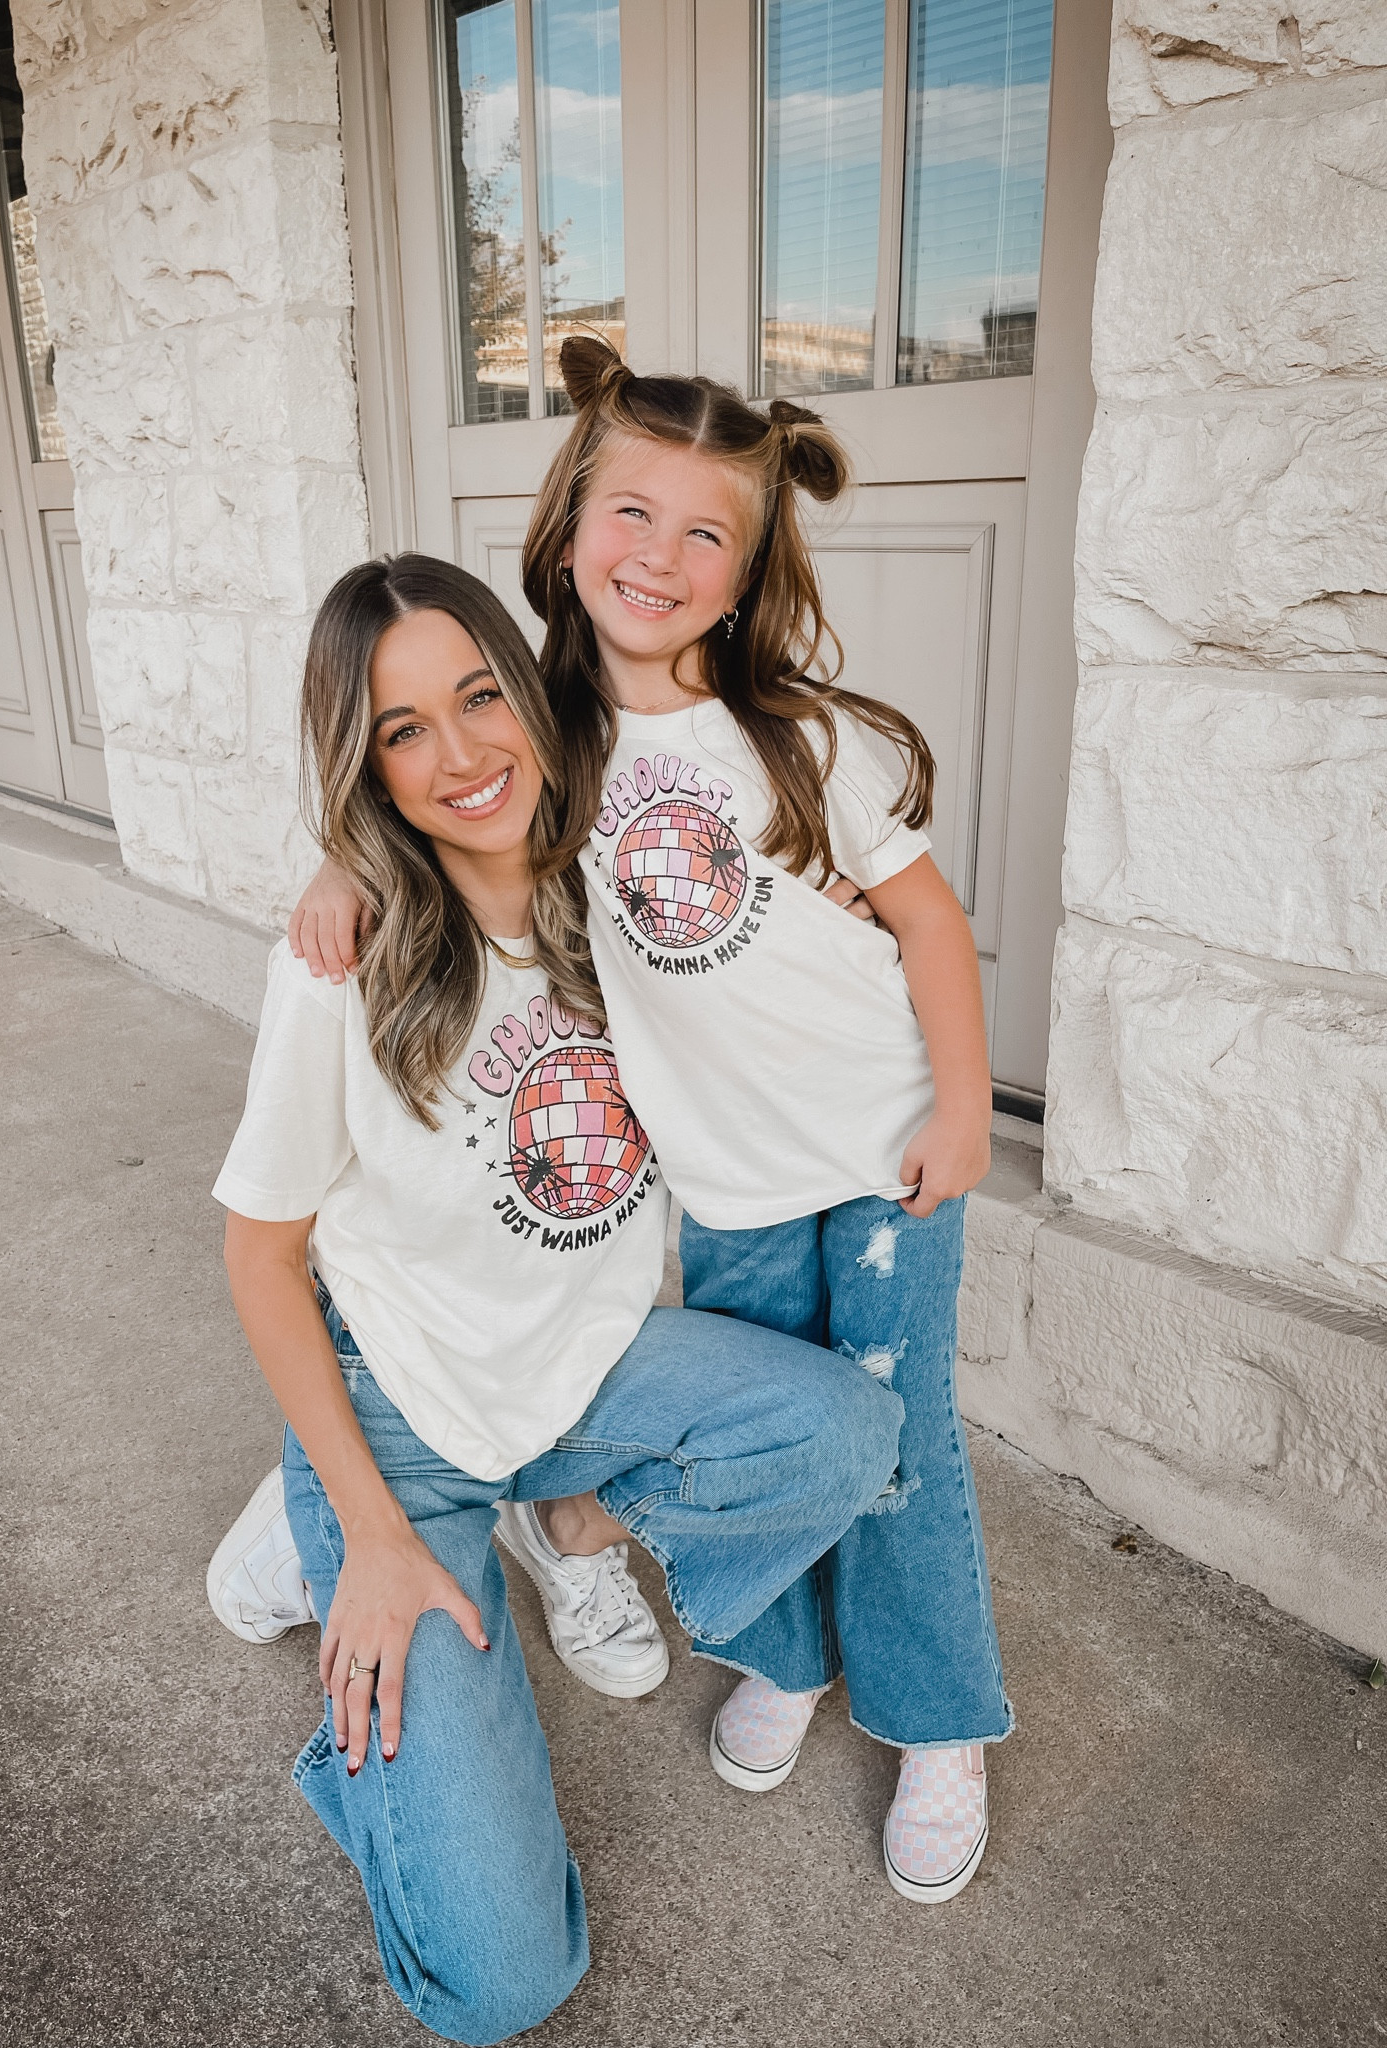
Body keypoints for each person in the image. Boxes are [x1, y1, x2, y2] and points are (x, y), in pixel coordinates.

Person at [282, 340, 1013, 1908]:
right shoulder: (537, 739)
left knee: (903, 1444)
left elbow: (933, 928)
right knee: (791, 1436)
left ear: (748, 574)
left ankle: (940, 1722)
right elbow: (424, 796)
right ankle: (791, 1658)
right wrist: (340, 865)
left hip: (887, 1159)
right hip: (731, 1191)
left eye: (707, 536)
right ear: (564, 532)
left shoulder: (804, 738)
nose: (661, 558)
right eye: (631, 513)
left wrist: (966, 1106)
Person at [213, 551, 906, 2043]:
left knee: (846, 1434)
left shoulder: (628, 899)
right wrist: (387, 1541)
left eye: (477, 698)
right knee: (504, 1984)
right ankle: (324, 1533)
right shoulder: (344, 961)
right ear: (363, 764)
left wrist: (838, 906)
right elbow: (258, 1255)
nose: (460, 755)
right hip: (400, 1413)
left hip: (585, 1375)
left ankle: (562, 1522)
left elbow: (773, 901)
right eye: (403, 730)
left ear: (531, 696)